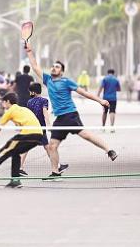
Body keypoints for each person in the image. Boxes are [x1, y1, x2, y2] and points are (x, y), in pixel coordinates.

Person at [25, 42, 117, 180]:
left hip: (70, 115)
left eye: (57, 67)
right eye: (53, 66)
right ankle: (55, 172)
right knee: (52, 146)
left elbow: (84, 93)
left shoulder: (67, 81)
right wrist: (29, 51)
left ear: (61, 71)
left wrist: (100, 101)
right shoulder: (48, 80)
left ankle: (109, 150)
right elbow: (35, 66)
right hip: (59, 119)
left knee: (85, 135)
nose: (54, 68)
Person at [0, 92, 43, 188]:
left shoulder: (10, 111)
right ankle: (15, 180)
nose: (2, 105)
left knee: (2, 153)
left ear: (7, 101)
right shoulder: (24, 109)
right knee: (15, 153)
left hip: (28, 134)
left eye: (3, 103)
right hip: (38, 136)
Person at [19, 83, 68, 176]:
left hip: (32, 127)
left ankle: (20, 168)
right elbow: (45, 113)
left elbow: (29, 115)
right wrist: (48, 125)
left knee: (31, 147)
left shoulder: (29, 102)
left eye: (30, 91)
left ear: (33, 92)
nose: (29, 93)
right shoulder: (44, 101)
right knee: (48, 148)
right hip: (40, 128)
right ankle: (57, 166)